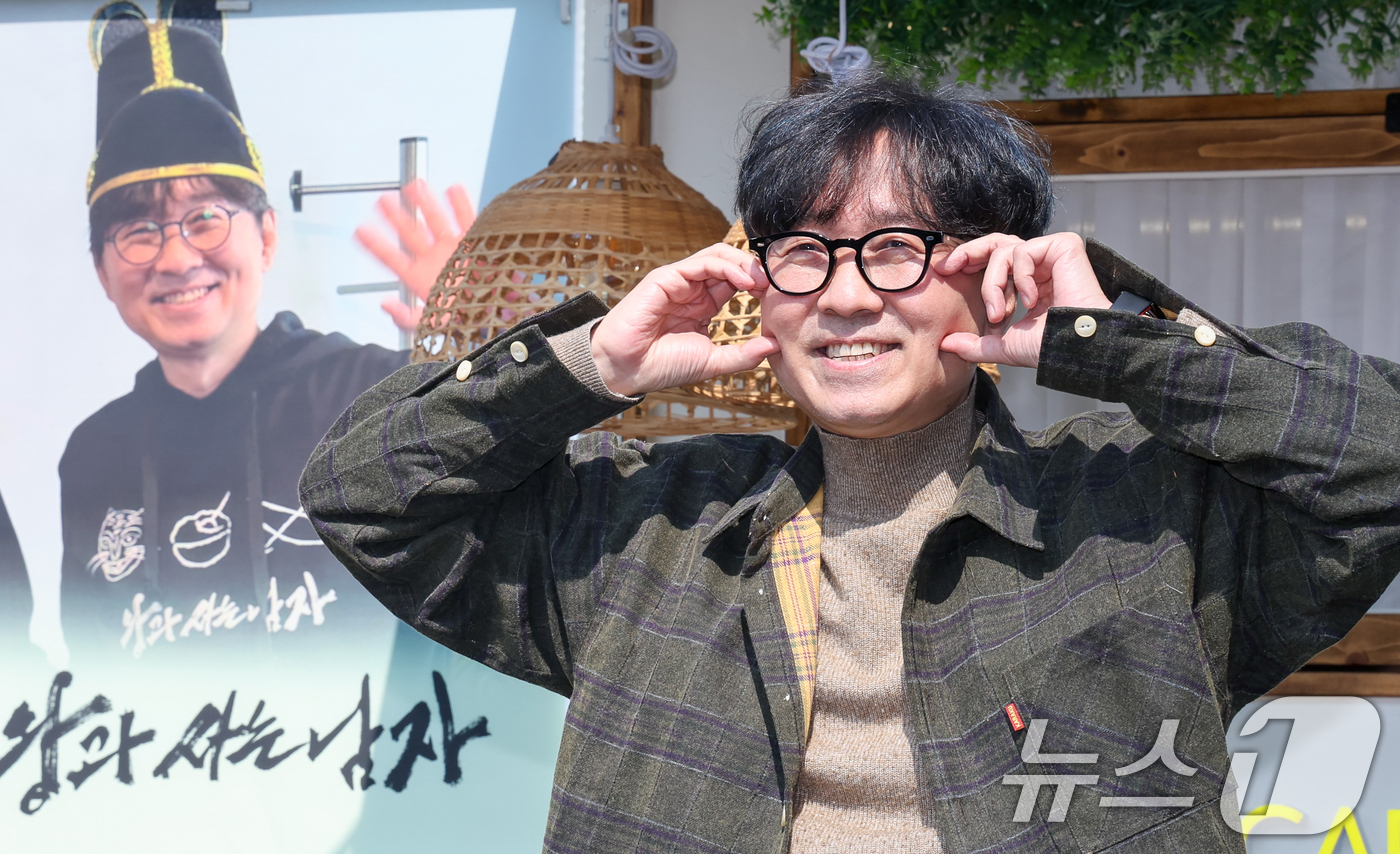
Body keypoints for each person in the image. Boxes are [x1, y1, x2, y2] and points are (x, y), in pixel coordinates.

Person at [299, 71, 1400, 854]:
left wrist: (1112, 339)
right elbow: (363, 496)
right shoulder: (649, 529)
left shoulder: (1141, 513)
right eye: (804, 250)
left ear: (992, 270)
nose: (844, 295)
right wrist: (593, 361)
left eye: (897, 248)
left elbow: (1376, 460)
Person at [59, 3, 469, 664]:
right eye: (138, 231)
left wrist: (483, 345)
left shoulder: (372, 394)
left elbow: (515, 544)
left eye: (206, 218)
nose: (176, 259)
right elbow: (92, 674)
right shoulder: (92, 454)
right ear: (102, 272)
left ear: (267, 236)